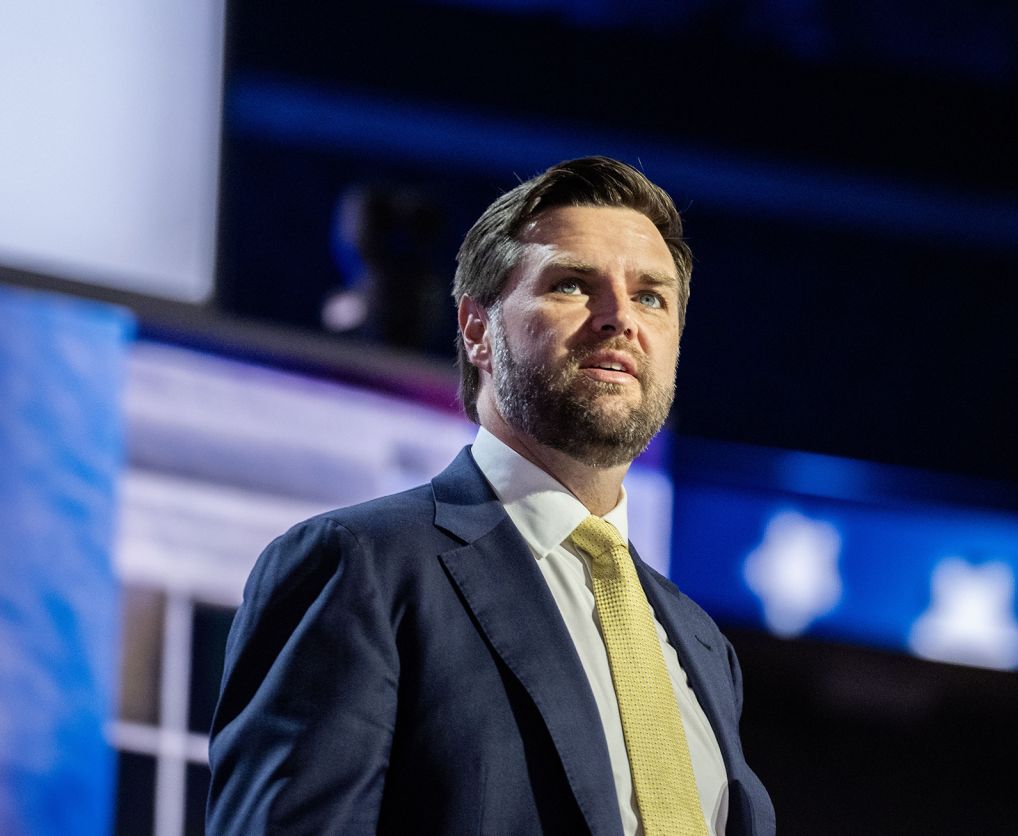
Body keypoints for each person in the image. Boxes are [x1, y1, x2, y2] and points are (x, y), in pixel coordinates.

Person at [206, 156, 776, 835]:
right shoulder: (361, 566)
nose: (619, 317)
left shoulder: (701, 646)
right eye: (571, 284)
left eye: (651, 296)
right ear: (478, 330)